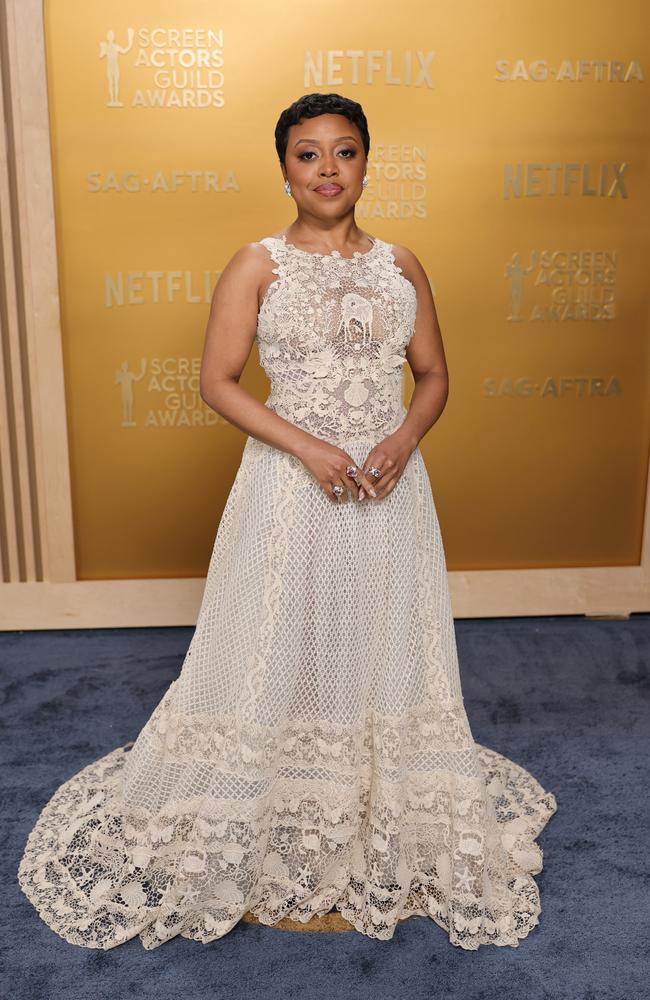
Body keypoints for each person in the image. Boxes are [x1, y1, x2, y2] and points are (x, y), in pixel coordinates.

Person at [17, 92, 557, 951]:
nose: (329, 170)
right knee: (281, 635)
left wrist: (404, 439)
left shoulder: (402, 265)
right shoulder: (258, 263)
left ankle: (362, 798)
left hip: (389, 490)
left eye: (345, 152)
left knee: (377, 635)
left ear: (368, 163)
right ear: (285, 169)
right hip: (288, 486)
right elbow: (218, 380)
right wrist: (307, 447)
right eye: (309, 155)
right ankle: (272, 802)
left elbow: (434, 376)